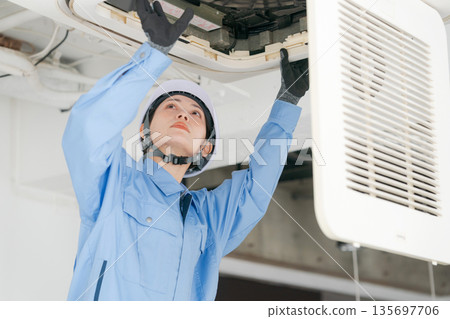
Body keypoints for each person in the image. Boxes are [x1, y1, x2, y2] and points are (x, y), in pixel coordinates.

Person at [62, 0, 309, 301]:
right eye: (170, 106)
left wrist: (288, 100)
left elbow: (255, 191)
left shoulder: (206, 218)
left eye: (195, 114)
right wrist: (153, 55)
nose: (183, 115)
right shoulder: (114, 182)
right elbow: (89, 127)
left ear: (205, 147)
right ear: (144, 131)